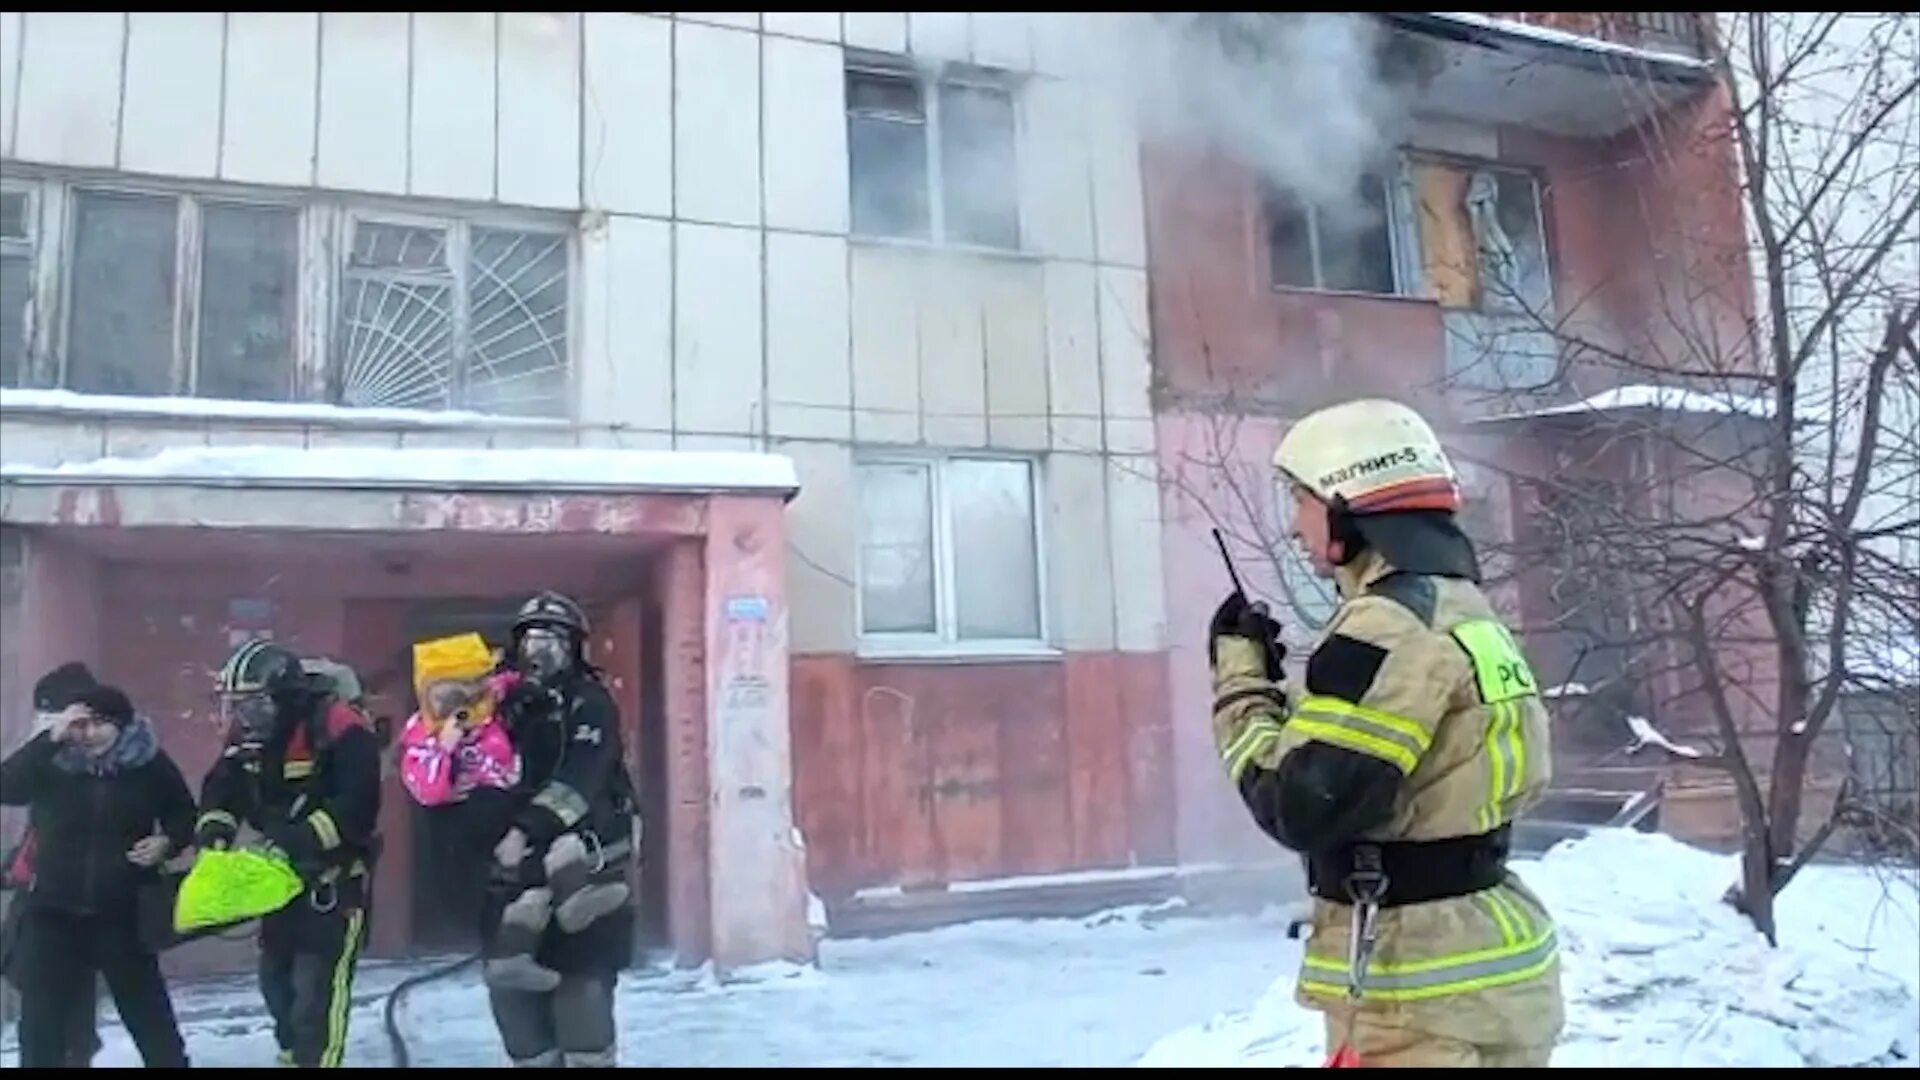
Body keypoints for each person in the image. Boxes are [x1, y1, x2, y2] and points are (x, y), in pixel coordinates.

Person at [1206, 398, 1564, 1067]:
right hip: (1490, 969)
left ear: (1348, 506)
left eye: (1301, 499)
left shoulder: (1388, 624)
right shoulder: (1464, 611)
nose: (1293, 526)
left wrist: (1240, 682)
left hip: (1416, 993)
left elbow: (1299, 805)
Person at [462, 592, 637, 1069]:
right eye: (533, 639)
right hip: (513, 886)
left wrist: (525, 829)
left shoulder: (590, 704)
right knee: (517, 1014)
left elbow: (582, 777)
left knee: (581, 1005)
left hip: (585, 874)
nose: (542, 651)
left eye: (555, 640)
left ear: (576, 648)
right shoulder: (495, 707)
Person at [398, 631, 628, 992]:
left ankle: (570, 901)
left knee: (549, 840)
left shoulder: (495, 709)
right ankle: (511, 953)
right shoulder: (424, 734)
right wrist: (444, 750)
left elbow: (506, 684)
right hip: (474, 815)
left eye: (470, 689)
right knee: (508, 871)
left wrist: (525, 678)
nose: (463, 703)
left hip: (510, 801)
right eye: (446, 695)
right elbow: (423, 788)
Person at [195, 639, 382, 1069]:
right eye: (234, 704)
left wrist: (293, 843)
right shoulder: (249, 737)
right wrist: (216, 833)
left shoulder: (338, 726)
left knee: (315, 997)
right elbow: (221, 788)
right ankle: (292, 1057)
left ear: (283, 697)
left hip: (332, 883)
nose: (241, 715)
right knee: (275, 984)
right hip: (279, 884)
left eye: (251, 703)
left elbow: (357, 806)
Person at [1, 681, 194, 1068]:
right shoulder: (52, 762)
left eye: (96, 724)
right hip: (52, 910)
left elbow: (183, 813)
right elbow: (7, 786)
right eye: (78, 724)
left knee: (149, 1016)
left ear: (120, 725)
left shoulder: (148, 763)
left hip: (121, 910)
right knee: (42, 1024)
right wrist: (50, 739)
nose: (85, 735)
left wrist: (168, 842)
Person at [1, 663, 108, 1068]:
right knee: (45, 1029)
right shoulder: (48, 759)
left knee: (67, 1030)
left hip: (80, 914)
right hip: (43, 913)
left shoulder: (98, 764)